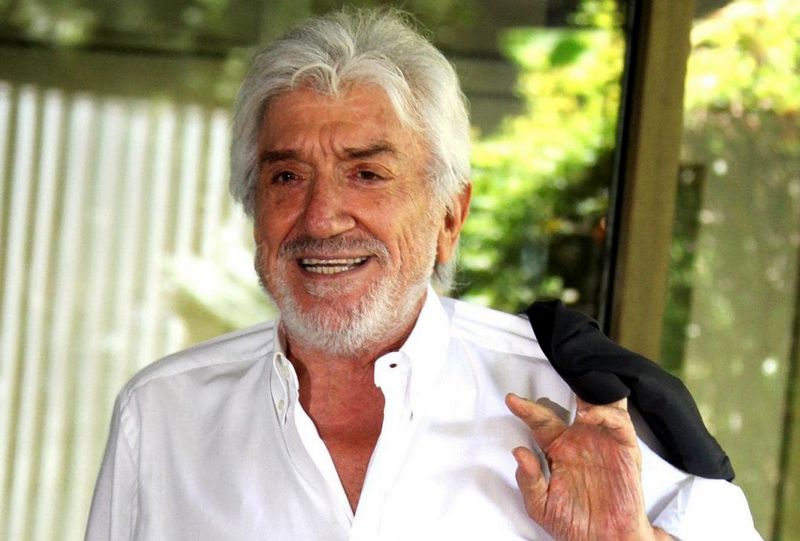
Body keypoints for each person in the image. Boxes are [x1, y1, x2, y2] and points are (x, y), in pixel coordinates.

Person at [85, 8, 761, 541]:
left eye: (367, 173)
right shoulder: (163, 415)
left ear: (449, 215)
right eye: (287, 176)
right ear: (253, 207)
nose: (322, 218)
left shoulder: (577, 409)